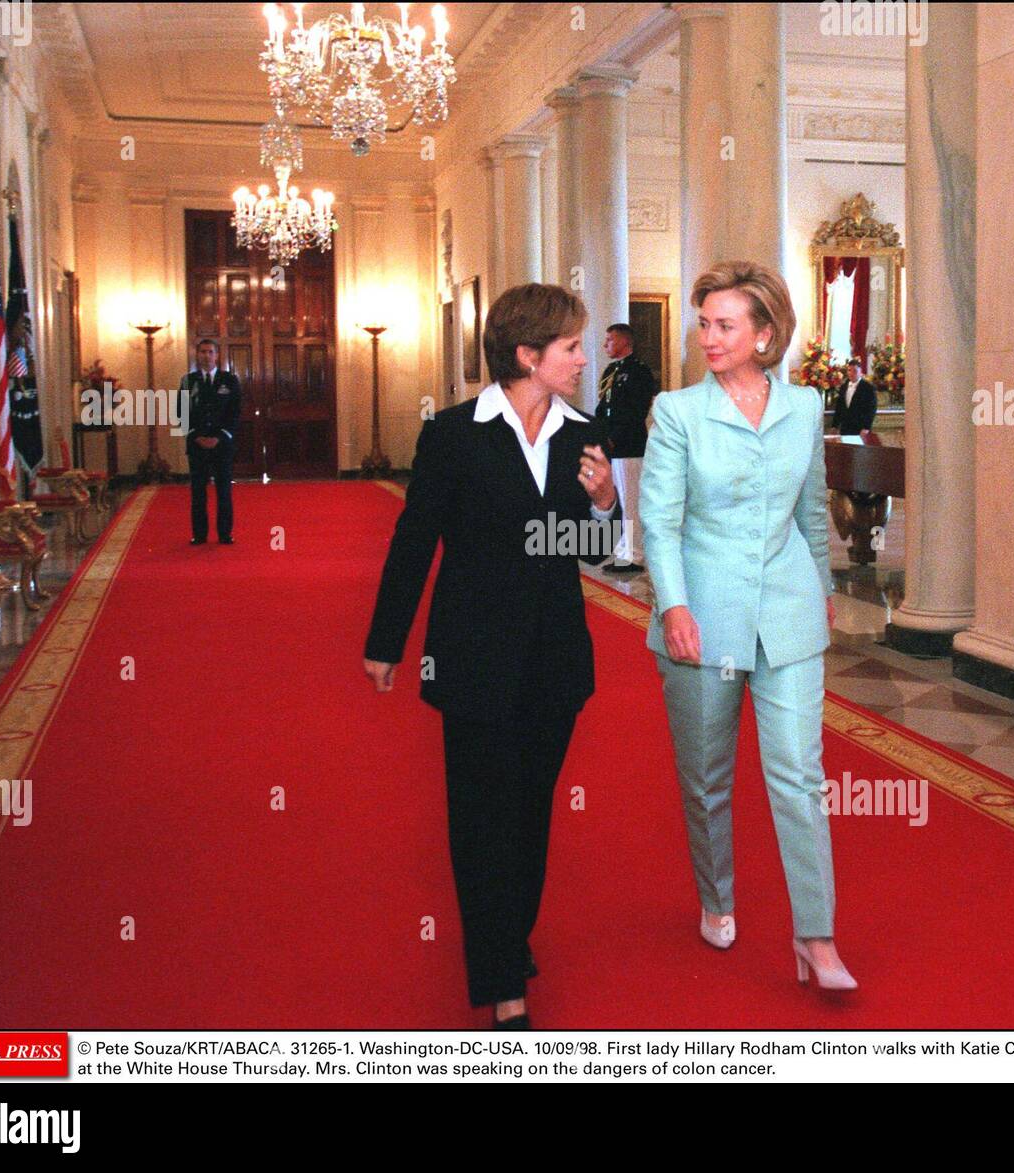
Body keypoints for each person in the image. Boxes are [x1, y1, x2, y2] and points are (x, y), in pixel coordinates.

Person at [363, 283, 620, 1029]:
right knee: (480, 819)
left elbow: (593, 549)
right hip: (471, 658)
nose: (583, 357)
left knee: (530, 815)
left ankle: (508, 935)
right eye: (571, 346)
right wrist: (387, 640)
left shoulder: (582, 431)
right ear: (527, 355)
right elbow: (416, 541)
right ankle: (505, 979)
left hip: (555, 661)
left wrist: (605, 505)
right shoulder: (453, 435)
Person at [640, 259, 857, 992]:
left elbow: (811, 511)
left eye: (725, 324)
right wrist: (672, 605)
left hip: (790, 613)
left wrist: (823, 587)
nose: (708, 336)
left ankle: (817, 936)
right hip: (702, 615)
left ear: (766, 334)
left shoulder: (805, 408)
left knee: (800, 773)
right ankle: (717, 897)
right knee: (707, 778)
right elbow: (659, 522)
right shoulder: (678, 412)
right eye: (704, 322)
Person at [594, 323, 658, 573]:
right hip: (611, 444)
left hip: (629, 444)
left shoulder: (639, 371)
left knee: (630, 499)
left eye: (610, 340)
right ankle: (622, 548)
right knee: (617, 500)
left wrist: (615, 437)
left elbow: (636, 410)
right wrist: (599, 435)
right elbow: (604, 408)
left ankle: (635, 554)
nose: (605, 344)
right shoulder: (611, 370)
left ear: (624, 342)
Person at [178, 339, 240, 544]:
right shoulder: (188, 381)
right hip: (197, 444)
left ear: (217, 355)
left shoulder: (229, 380)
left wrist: (219, 437)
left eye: (210, 352)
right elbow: (181, 413)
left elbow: (235, 412)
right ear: (197, 355)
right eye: (202, 351)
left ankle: (225, 534)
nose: (206, 355)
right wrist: (196, 435)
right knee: (198, 492)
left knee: (224, 491)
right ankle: (199, 535)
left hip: (222, 445)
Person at [832, 358, 877, 436]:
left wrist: (866, 427)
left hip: (860, 429)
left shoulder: (868, 387)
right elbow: (839, 407)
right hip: (845, 428)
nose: (851, 373)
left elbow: (871, 409)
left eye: (855, 371)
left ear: (860, 372)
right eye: (849, 370)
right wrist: (835, 425)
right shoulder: (843, 387)